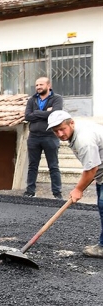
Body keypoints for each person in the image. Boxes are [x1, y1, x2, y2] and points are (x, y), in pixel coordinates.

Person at [47, 110, 103, 258]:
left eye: (62, 129)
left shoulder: (84, 140)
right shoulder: (76, 133)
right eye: (55, 131)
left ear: (71, 123)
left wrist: (78, 189)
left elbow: (91, 168)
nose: (59, 134)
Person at [24, 77, 63, 199]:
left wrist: (36, 113)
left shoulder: (57, 98)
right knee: (32, 165)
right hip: (34, 137)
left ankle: (57, 193)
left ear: (48, 85)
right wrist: (46, 113)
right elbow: (27, 116)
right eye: (36, 85)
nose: (38, 87)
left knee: (53, 166)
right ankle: (30, 191)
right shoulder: (32, 100)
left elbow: (56, 114)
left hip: (50, 136)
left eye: (41, 84)